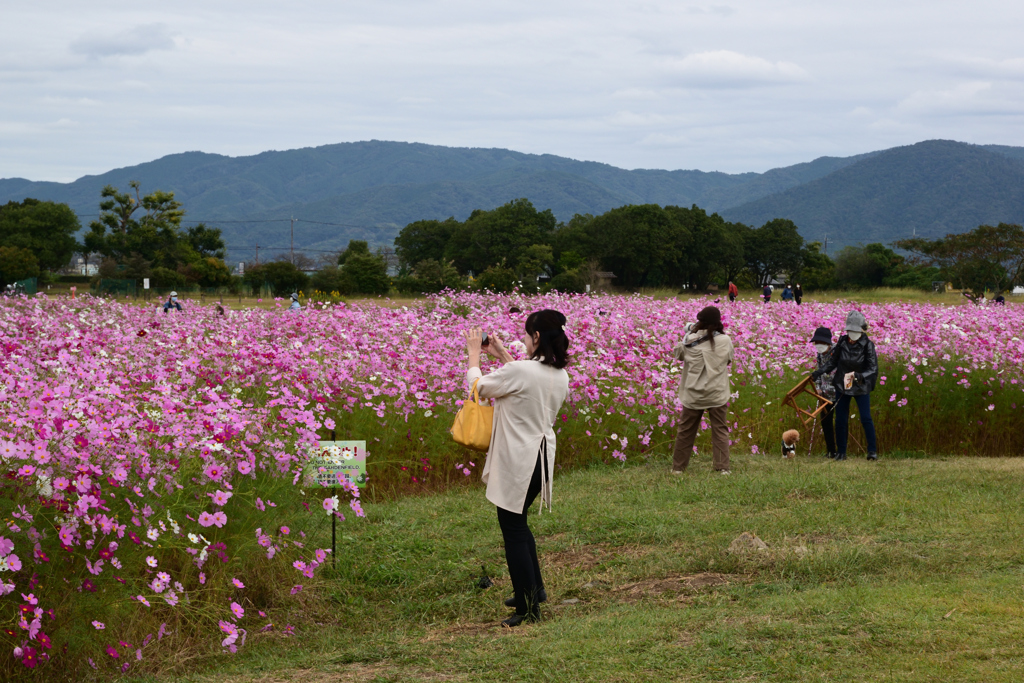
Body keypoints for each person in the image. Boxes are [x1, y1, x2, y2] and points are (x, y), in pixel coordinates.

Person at [463, 310, 570, 627]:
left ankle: (527, 608)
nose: (523, 339)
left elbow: (479, 388)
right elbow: (525, 379)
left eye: (526, 334)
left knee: (512, 529)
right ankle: (534, 591)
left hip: (520, 459)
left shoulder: (522, 371)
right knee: (519, 524)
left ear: (536, 337)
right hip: (541, 458)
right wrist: (502, 355)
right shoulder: (559, 374)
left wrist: (474, 355)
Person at [670, 306, 735, 475]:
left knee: (686, 430)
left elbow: (678, 354)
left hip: (693, 394)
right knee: (720, 429)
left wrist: (689, 333)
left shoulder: (689, 340)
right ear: (718, 322)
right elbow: (728, 360)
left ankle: (678, 468)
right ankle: (722, 467)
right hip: (716, 392)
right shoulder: (725, 340)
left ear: (700, 321)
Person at [812, 311, 878, 461]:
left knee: (866, 418)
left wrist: (859, 376)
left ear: (861, 331)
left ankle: (872, 451)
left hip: (860, 386)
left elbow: (873, 369)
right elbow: (832, 362)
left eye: (855, 332)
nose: (852, 335)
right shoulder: (842, 342)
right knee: (840, 419)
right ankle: (841, 452)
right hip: (842, 385)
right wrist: (819, 372)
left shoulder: (868, 345)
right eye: (850, 331)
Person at [809, 327, 837, 458]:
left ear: (828, 342)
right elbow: (818, 372)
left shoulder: (837, 352)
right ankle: (831, 451)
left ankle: (840, 451)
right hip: (824, 394)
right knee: (825, 422)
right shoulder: (820, 355)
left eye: (821, 342)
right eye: (817, 342)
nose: (819, 345)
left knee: (839, 423)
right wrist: (818, 387)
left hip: (838, 392)